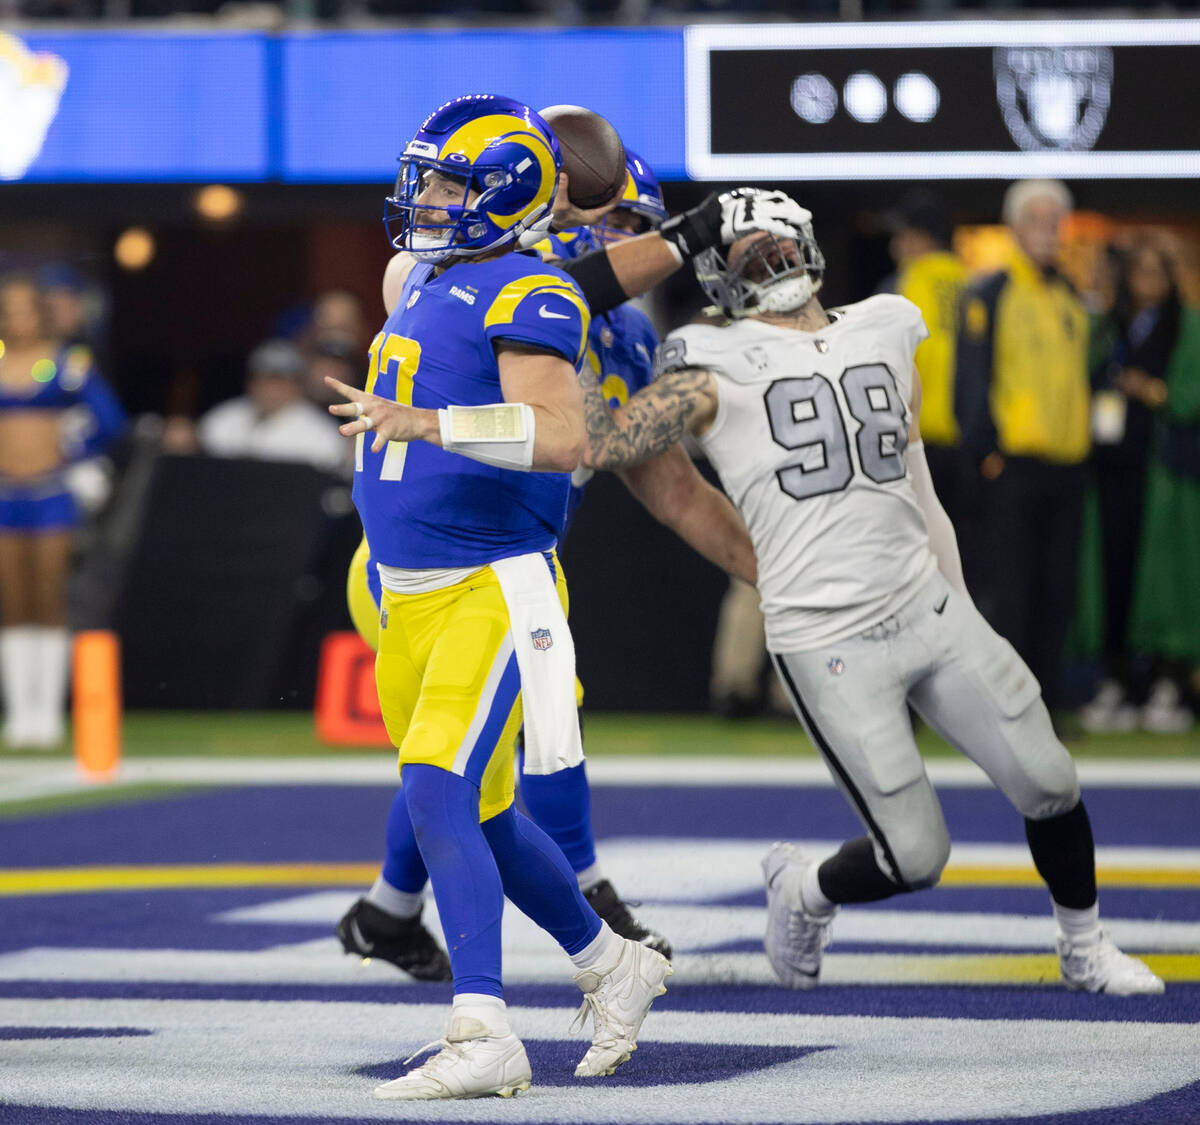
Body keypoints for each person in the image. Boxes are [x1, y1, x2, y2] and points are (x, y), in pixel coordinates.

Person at [578, 210, 1163, 997]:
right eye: (749, 250)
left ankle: (1084, 946)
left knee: (1050, 777)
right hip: (827, 638)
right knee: (916, 857)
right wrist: (563, 333)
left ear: (812, 248)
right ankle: (804, 888)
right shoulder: (707, 362)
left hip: (923, 601)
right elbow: (608, 446)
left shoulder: (887, 324)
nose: (770, 255)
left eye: (778, 241)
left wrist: (959, 602)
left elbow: (920, 487)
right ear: (720, 276)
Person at [321, 95, 677, 1101]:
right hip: (410, 589)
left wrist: (432, 425)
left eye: (445, 183)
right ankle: (613, 963)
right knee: (485, 809)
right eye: (424, 178)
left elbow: (562, 436)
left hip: (492, 579)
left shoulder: (531, 288)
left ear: (505, 197)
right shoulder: (432, 274)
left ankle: (482, 1028)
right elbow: (417, 278)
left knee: (436, 790)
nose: (423, 197)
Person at [336, 149, 761, 978]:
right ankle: (587, 900)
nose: (615, 237)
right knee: (497, 742)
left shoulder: (627, 337)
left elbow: (675, 490)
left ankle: (392, 911)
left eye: (631, 223)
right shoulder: (474, 273)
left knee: (464, 763)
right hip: (417, 564)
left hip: (497, 566)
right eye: (604, 218)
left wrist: (776, 573)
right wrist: (688, 234)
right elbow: (569, 283)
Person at [954, 180, 1091, 728]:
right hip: (1015, 465)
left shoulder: (1070, 296)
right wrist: (986, 453)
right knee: (1012, 590)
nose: (1049, 229)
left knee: (1058, 590)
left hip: (1068, 466)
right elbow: (971, 380)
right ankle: (1011, 709)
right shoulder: (990, 292)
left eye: (1057, 219)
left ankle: (1051, 704)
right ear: (1014, 225)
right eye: (1038, 218)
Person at [0, 273, 127, 748]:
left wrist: (79, 448)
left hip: (51, 490)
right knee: (12, 600)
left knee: (49, 595)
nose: (17, 319)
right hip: (4, 494)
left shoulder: (67, 362)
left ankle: (47, 713)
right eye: (7, 309)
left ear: (42, 311)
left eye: (25, 308)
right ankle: (20, 712)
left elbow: (109, 420)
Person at [1080, 236, 1191, 733]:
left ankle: (1169, 680)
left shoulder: (1183, 328)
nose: (1147, 283)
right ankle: (1117, 678)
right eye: (1139, 272)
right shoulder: (1109, 326)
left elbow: (1184, 396)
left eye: (1157, 273)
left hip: (1164, 474)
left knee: (1167, 580)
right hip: (1111, 472)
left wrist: (1153, 391)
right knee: (1114, 574)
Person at [197, 338, 349, 475]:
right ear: (250, 382)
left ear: (296, 385)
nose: (270, 388)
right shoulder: (221, 419)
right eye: (264, 379)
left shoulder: (321, 434)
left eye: (279, 380)